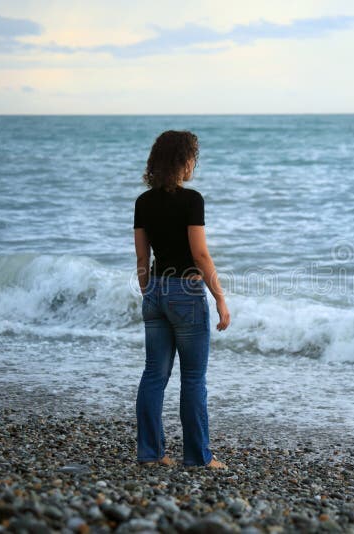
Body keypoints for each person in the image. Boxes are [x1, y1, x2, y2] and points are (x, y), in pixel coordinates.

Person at [133, 130, 230, 468]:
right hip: (186, 292)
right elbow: (200, 255)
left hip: (155, 289)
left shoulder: (143, 202)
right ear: (182, 161)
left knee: (153, 375)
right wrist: (219, 297)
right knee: (192, 378)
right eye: (192, 157)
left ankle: (150, 453)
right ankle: (198, 457)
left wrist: (151, 292)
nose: (194, 164)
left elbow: (142, 260)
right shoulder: (192, 201)